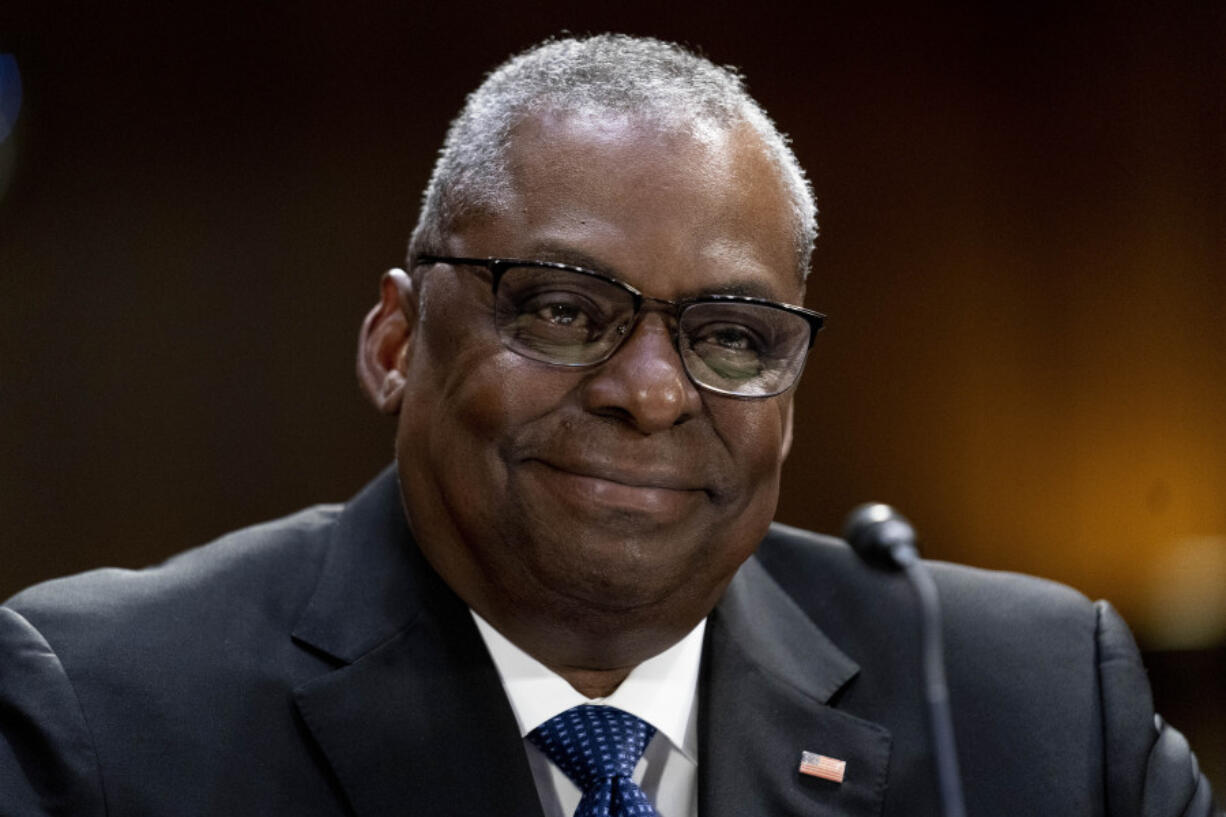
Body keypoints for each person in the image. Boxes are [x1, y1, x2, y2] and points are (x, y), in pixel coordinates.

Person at [0, 34, 1216, 817]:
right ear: (392, 343)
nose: (651, 389)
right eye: (562, 311)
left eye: (732, 334)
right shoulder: (103, 714)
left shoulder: (1035, 704)